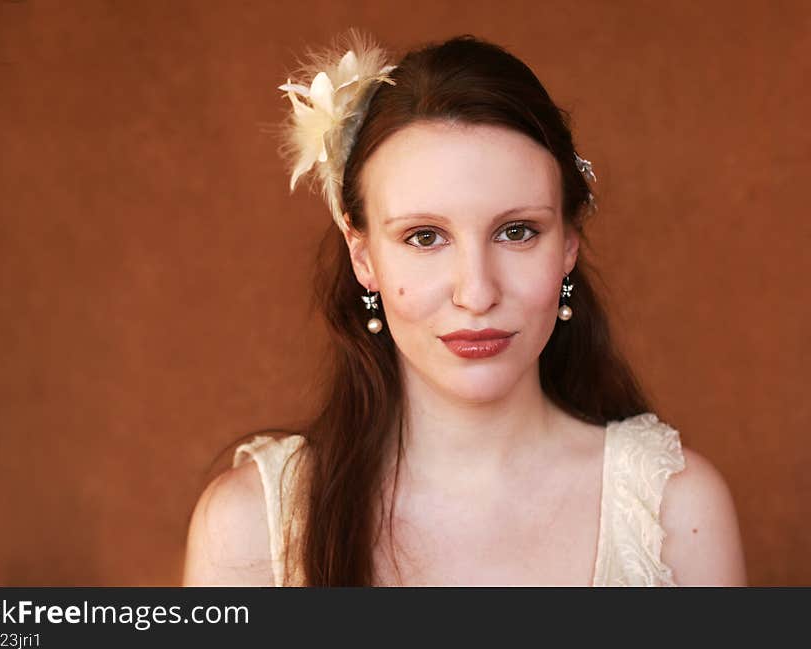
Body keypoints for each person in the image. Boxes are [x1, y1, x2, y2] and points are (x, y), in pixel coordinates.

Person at [182, 29, 747, 586]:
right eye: (425, 237)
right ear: (364, 257)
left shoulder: (677, 515)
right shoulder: (250, 528)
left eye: (517, 231)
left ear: (568, 245)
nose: (476, 294)